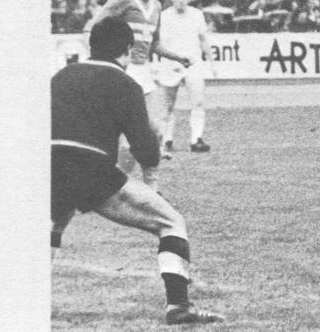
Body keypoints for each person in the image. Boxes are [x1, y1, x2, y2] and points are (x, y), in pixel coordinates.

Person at [51, 17, 224, 325]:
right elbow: (143, 145)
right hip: (91, 168)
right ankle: (179, 306)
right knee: (171, 222)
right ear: (128, 49)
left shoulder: (62, 76)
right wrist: (151, 180)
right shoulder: (126, 84)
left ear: (92, 45)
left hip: (50, 165)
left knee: (54, 225)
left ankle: (30, 298)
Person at [85, 0, 191, 161]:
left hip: (143, 70)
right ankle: (121, 176)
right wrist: (102, 61)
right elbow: (92, 28)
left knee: (156, 128)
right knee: (125, 134)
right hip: (124, 70)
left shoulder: (157, 6)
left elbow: (154, 44)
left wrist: (178, 58)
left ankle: (144, 177)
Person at [156, 0, 215, 153]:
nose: (181, 0)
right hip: (171, 64)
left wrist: (212, 62)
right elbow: (159, 43)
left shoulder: (197, 15)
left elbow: (203, 39)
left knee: (198, 102)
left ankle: (196, 140)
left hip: (193, 64)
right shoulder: (164, 16)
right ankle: (166, 140)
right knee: (168, 105)